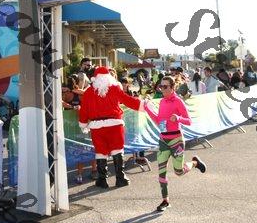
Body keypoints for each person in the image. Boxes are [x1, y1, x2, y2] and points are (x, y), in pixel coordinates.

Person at [143, 76, 206, 212]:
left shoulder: (178, 101)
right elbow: (159, 121)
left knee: (179, 172)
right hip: (163, 140)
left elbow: (189, 121)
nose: (162, 89)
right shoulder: (162, 102)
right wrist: (147, 108)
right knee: (161, 172)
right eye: (161, 86)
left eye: (165, 86)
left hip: (176, 140)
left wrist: (177, 118)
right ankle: (165, 200)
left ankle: (195, 162)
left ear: (172, 88)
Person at [78, 66, 145, 188]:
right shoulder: (114, 88)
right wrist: (142, 105)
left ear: (95, 78)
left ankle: (102, 179)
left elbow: (84, 110)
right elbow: (127, 100)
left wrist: (83, 123)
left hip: (96, 127)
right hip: (115, 125)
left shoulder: (88, 92)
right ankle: (120, 178)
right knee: (117, 150)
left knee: (100, 152)